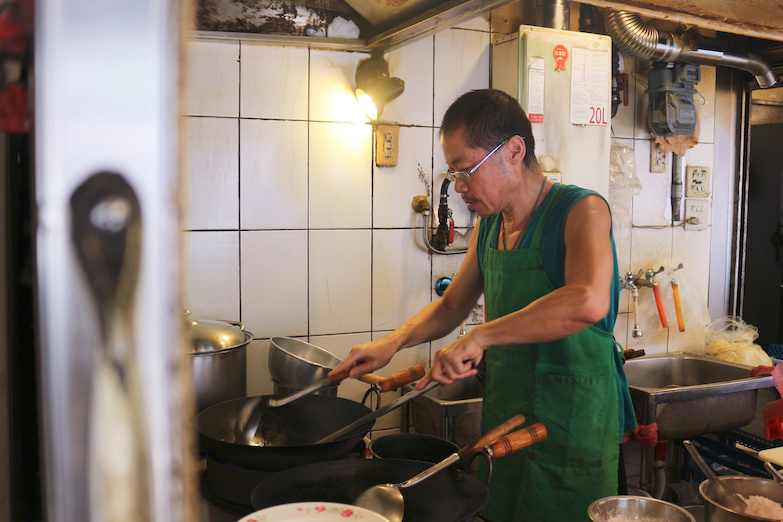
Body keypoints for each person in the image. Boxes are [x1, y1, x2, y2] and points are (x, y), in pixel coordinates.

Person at [330, 88, 636, 521]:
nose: (458, 186)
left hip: (573, 427)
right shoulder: (490, 226)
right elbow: (453, 304)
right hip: (507, 420)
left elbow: (585, 301)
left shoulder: (582, 210)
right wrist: (392, 344)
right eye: (452, 173)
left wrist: (481, 336)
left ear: (514, 150)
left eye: (466, 169)